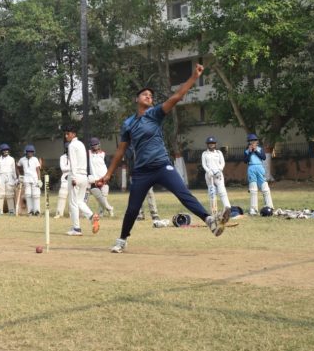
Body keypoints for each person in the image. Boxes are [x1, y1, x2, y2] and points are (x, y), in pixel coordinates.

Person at [101, 64, 230, 253]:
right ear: (136, 99)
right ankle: (122, 239)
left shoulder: (155, 114)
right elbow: (121, 151)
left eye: (151, 95)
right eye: (145, 94)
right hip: (142, 172)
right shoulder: (128, 123)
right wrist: (108, 174)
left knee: (184, 194)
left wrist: (194, 77)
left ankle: (210, 220)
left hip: (162, 166)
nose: (149, 96)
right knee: (132, 209)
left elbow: (176, 97)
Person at [63, 125, 100, 236]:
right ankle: (92, 217)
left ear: (73, 134)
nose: (66, 135)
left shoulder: (72, 145)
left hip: (76, 176)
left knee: (73, 203)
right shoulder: (81, 144)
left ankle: (76, 229)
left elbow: (73, 163)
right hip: (84, 177)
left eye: (68, 133)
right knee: (79, 201)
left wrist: (74, 177)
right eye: (65, 133)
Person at [244, 133, 274, 215]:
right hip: (251, 168)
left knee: (265, 187)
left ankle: (270, 206)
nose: (253, 142)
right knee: (253, 189)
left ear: (257, 142)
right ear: (249, 142)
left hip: (260, 168)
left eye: (254, 141)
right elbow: (245, 161)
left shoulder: (260, 149)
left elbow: (263, 157)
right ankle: (253, 209)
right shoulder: (246, 151)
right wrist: (250, 152)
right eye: (251, 141)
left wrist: (255, 151)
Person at [202, 136, 232, 215]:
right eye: (209, 143)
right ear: (207, 144)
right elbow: (204, 164)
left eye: (213, 143)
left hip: (218, 174)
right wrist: (208, 171)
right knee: (212, 192)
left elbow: (222, 163)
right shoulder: (204, 154)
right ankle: (213, 210)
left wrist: (220, 170)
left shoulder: (219, 153)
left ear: (215, 144)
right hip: (209, 175)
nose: (211, 144)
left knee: (222, 191)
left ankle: (227, 208)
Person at [87, 137, 115, 217]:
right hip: (94, 180)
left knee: (104, 197)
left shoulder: (103, 154)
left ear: (99, 144)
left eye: (96, 144)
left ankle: (101, 213)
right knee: (100, 199)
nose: (94, 146)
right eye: (93, 145)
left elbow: (108, 167)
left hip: (104, 179)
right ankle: (110, 208)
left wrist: (108, 177)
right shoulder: (89, 153)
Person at [17, 144, 42, 216]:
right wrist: (19, 175)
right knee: (28, 195)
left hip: (35, 179)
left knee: (36, 195)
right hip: (26, 179)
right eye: (29, 152)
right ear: (25, 152)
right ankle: (30, 211)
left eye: (31, 152)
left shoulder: (35, 159)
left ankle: (37, 211)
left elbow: (38, 170)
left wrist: (39, 179)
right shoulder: (22, 159)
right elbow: (17, 167)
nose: (30, 153)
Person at [0, 143, 17, 215]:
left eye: (7, 150)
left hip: (9, 176)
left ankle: (11, 210)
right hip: (0, 176)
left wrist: (15, 178)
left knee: (10, 194)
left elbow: (14, 170)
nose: (6, 151)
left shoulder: (12, 159)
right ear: (1, 151)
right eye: (4, 150)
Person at [54, 142, 70, 219]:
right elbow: (63, 168)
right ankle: (59, 213)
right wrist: (72, 168)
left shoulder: (75, 156)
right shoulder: (62, 157)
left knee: (73, 197)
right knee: (62, 195)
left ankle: (72, 214)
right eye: (67, 148)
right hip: (65, 179)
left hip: (74, 179)